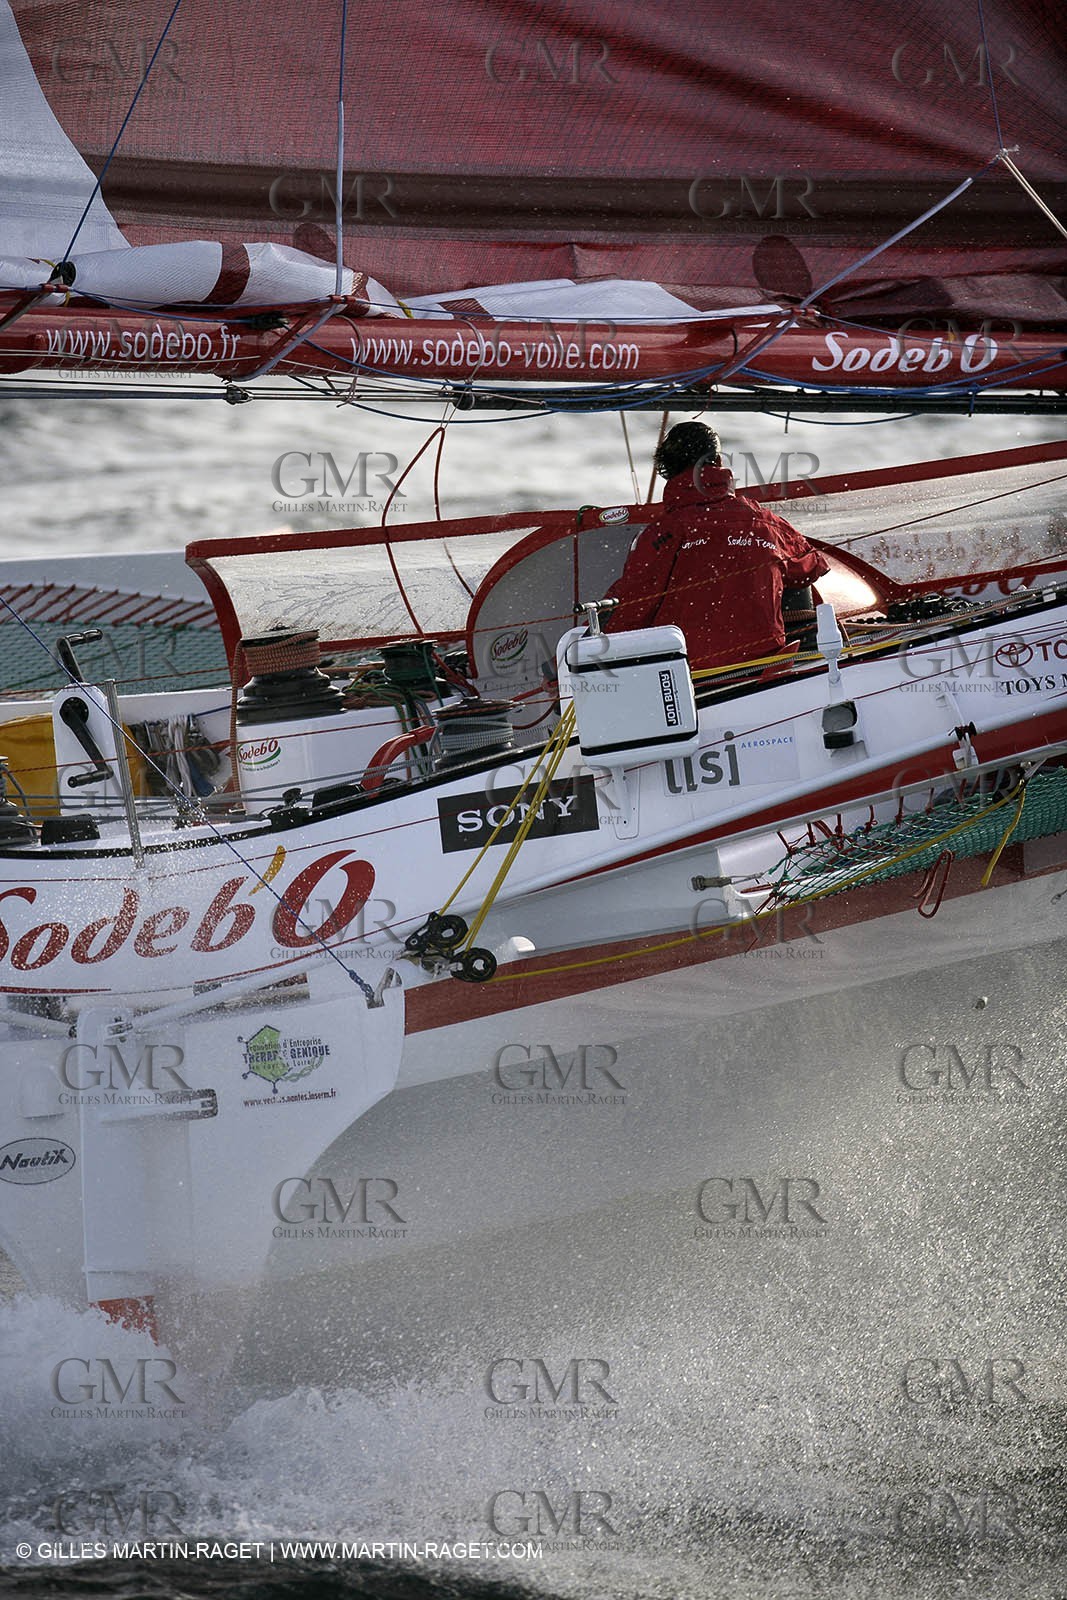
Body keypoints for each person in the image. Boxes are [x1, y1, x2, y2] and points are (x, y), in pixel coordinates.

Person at [604, 421, 830, 672]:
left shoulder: (661, 534)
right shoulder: (765, 521)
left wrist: (587, 650)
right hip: (766, 671)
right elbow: (813, 565)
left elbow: (631, 609)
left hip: (691, 678)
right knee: (792, 576)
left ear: (667, 470)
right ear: (718, 462)